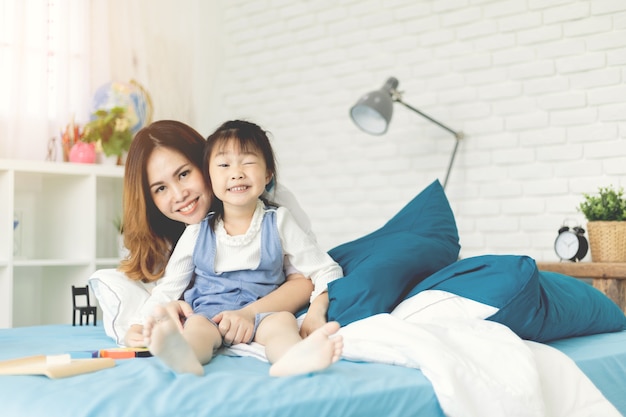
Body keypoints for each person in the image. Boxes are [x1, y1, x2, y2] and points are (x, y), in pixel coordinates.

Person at [143, 120, 344, 376]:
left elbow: (324, 269)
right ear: (210, 177)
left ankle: (293, 358)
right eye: (224, 165)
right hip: (209, 314)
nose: (236, 173)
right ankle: (185, 356)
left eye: (248, 162)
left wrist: (317, 310)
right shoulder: (197, 232)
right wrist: (145, 321)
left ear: (268, 174)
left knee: (283, 324)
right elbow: (169, 287)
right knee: (196, 330)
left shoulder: (279, 221)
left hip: (264, 312)